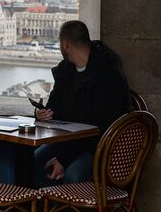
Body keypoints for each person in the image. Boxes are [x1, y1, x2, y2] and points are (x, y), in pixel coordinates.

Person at [34, 20, 132, 189]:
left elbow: (101, 127)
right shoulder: (66, 70)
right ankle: (46, 211)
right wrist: (40, 113)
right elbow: (53, 105)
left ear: (65, 44)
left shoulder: (109, 75)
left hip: (101, 148)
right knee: (37, 157)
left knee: (74, 174)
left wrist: (63, 159)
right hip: (71, 141)